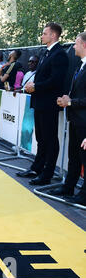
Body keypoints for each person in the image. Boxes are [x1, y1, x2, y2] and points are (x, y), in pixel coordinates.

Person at [19, 22, 69, 185]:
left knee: (50, 139)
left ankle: (46, 174)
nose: (42, 36)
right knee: (41, 137)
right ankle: (37, 168)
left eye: (45, 33)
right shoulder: (46, 53)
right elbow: (42, 76)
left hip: (49, 103)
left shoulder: (59, 54)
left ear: (53, 35)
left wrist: (36, 86)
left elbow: (56, 80)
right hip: (40, 101)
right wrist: (32, 84)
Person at [47, 32, 86, 205]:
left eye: (76, 43)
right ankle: (68, 186)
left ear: (84, 45)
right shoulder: (81, 66)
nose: (74, 47)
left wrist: (71, 102)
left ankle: (84, 195)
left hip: (83, 121)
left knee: (83, 159)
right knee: (74, 157)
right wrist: (66, 100)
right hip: (75, 119)